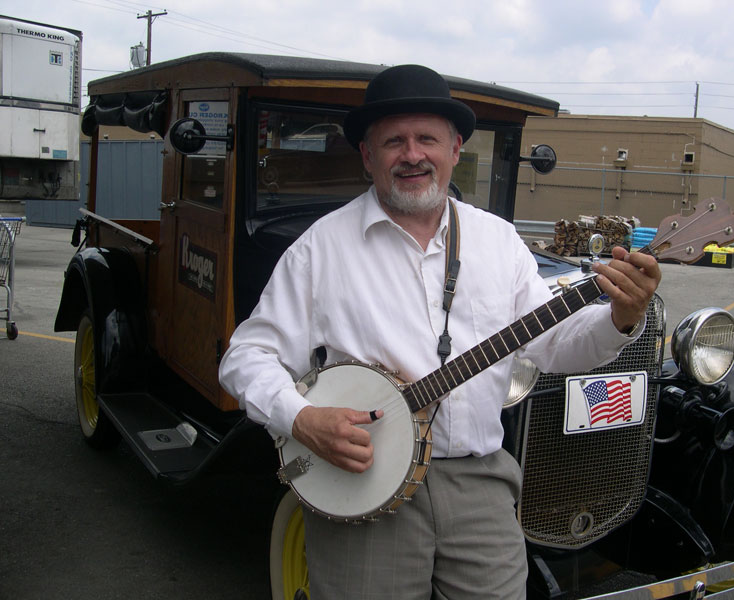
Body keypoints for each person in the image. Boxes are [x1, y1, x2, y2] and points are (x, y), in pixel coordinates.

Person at [219, 64, 661, 600]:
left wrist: (621, 318)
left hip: (479, 487)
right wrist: (303, 419)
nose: (412, 155)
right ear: (367, 156)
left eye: (427, 138)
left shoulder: (498, 242)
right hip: (361, 481)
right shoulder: (321, 248)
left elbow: (556, 344)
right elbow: (246, 357)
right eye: (393, 142)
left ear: (454, 148)